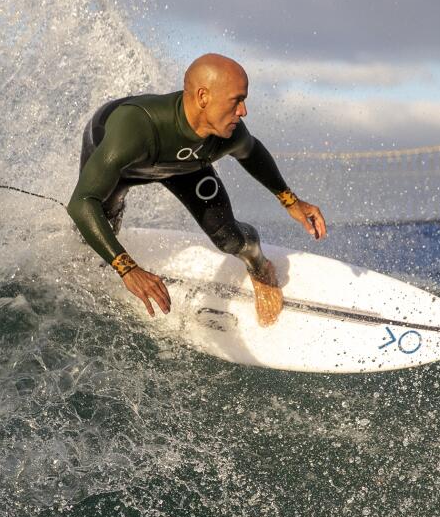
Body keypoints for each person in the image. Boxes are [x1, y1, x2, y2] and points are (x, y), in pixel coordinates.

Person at [67, 53, 326, 326]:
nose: (243, 111)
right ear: (203, 97)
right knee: (95, 230)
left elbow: (251, 152)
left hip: (186, 167)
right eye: (236, 100)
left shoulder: (228, 132)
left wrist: (291, 201)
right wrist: (128, 268)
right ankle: (110, 259)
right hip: (123, 168)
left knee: (230, 239)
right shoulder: (135, 129)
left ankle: (260, 265)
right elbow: (82, 202)